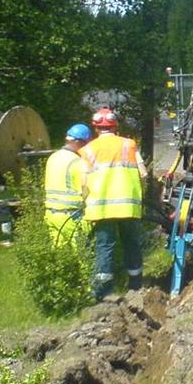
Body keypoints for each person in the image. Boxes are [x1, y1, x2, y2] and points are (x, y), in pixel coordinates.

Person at [80, 107, 148, 296]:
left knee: (104, 246)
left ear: (95, 128)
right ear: (115, 126)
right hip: (128, 207)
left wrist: (84, 201)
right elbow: (143, 174)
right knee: (131, 244)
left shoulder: (87, 151)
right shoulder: (129, 145)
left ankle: (103, 293)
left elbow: (83, 185)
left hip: (101, 210)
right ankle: (135, 287)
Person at [43, 123, 91, 249]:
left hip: (51, 214)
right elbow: (85, 188)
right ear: (80, 142)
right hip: (72, 215)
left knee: (59, 255)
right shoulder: (77, 162)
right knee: (83, 254)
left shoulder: (53, 157)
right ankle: (85, 270)